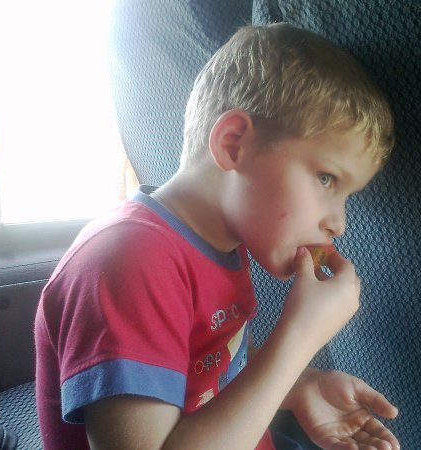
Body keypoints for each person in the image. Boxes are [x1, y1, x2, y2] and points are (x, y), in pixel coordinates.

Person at [35, 23, 399, 450]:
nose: (339, 223)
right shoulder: (128, 261)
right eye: (326, 178)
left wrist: (300, 384)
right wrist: (299, 338)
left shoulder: (221, 246)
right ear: (233, 143)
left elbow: (208, 369)